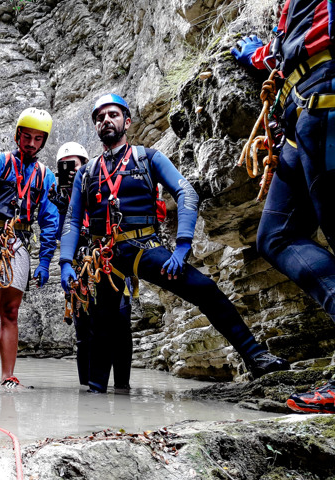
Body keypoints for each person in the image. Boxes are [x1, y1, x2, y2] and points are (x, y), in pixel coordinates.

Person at [59, 94, 290, 393]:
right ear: (96, 127)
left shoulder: (148, 157)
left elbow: (187, 193)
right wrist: (65, 263)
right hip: (105, 258)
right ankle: (95, 398)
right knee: (102, 327)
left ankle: (256, 356)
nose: (106, 120)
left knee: (205, 289)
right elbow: (72, 221)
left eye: (113, 114)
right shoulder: (86, 173)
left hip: (144, 248)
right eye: (100, 117)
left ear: (126, 122)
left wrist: (183, 246)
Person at [231, 0, 335, 413]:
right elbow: (289, 48)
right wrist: (261, 55)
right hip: (300, 107)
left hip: (325, 96)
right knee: (275, 235)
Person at [0, 107, 59, 393]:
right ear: (17, 135)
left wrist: (44, 262)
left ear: (43, 142)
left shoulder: (46, 177)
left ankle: (8, 376)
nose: (31, 143)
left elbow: (50, 221)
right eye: (26, 137)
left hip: (20, 241)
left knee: (11, 311)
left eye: (37, 139)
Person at [51, 142, 134, 392]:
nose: (72, 170)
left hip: (108, 263)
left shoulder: (102, 185)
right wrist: (62, 208)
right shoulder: (59, 200)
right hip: (80, 269)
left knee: (120, 323)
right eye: (65, 167)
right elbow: (61, 234)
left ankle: (122, 386)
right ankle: (88, 390)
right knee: (84, 331)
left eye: (76, 165)